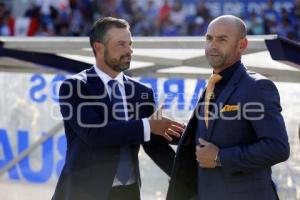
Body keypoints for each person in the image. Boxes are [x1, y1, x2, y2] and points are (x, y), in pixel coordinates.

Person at [52, 17, 184, 200]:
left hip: (128, 193)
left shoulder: (141, 92)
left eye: (130, 44)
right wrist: (148, 126)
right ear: (98, 47)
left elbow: (154, 143)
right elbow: (94, 133)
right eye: (121, 44)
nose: (129, 50)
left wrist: (188, 177)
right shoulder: (75, 87)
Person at [167, 15, 290, 200]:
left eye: (222, 39)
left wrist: (220, 158)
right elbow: (215, 135)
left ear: (242, 45)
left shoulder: (257, 87)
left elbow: (277, 148)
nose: (213, 45)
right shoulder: (212, 84)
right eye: (209, 38)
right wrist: (171, 132)